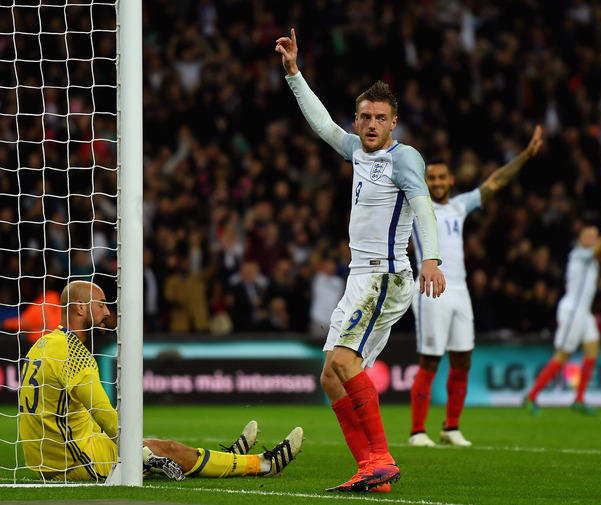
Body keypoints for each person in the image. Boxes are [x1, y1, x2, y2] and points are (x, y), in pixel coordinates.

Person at [276, 29, 445, 493]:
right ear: (357, 121)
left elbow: (424, 206)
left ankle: (382, 459)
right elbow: (323, 127)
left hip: (385, 277)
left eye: (380, 118)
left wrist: (431, 257)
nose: (371, 125)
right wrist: (294, 74)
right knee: (331, 374)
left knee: (346, 363)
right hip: (360, 278)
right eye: (365, 117)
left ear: (394, 123)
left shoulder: (403, 158)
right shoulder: (356, 151)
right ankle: (370, 468)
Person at [19, 280, 303, 481]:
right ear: (80, 308)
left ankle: (229, 457)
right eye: (102, 304)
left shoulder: (43, 345)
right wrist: (143, 456)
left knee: (157, 445)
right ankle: (262, 465)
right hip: (76, 459)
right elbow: (107, 419)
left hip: (50, 457)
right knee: (167, 449)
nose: (107, 312)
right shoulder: (74, 353)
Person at [407, 130, 543, 448]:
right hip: (429, 290)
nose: (437, 182)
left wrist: (524, 156)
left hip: (460, 291)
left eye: (442, 177)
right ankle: (417, 432)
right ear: (425, 181)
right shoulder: (415, 208)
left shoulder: (458, 206)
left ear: (451, 180)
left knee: (463, 359)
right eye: (432, 178)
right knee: (430, 360)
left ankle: (450, 427)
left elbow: (495, 182)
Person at [522, 213, 601, 416]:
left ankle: (579, 398)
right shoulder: (578, 254)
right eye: (589, 235)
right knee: (562, 356)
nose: (593, 238)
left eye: (595, 235)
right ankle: (531, 396)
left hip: (584, 314)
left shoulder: (591, 258)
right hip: (572, 312)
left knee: (593, 350)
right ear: (580, 239)